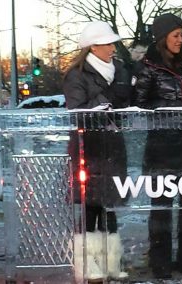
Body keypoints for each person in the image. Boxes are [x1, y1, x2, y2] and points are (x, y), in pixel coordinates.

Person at [133, 13, 182, 278]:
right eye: (176, 35)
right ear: (163, 38)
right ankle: (160, 264)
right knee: (161, 210)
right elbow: (139, 105)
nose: (180, 39)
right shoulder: (148, 66)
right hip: (162, 150)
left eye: (181, 34)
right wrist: (179, 107)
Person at [63, 21, 133, 280]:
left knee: (110, 204)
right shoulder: (77, 75)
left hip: (113, 146)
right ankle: (87, 264)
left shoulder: (121, 71)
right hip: (87, 149)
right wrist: (110, 97)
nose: (113, 48)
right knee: (90, 206)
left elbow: (126, 105)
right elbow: (78, 112)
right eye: (107, 43)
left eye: (113, 43)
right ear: (93, 46)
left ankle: (112, 261)